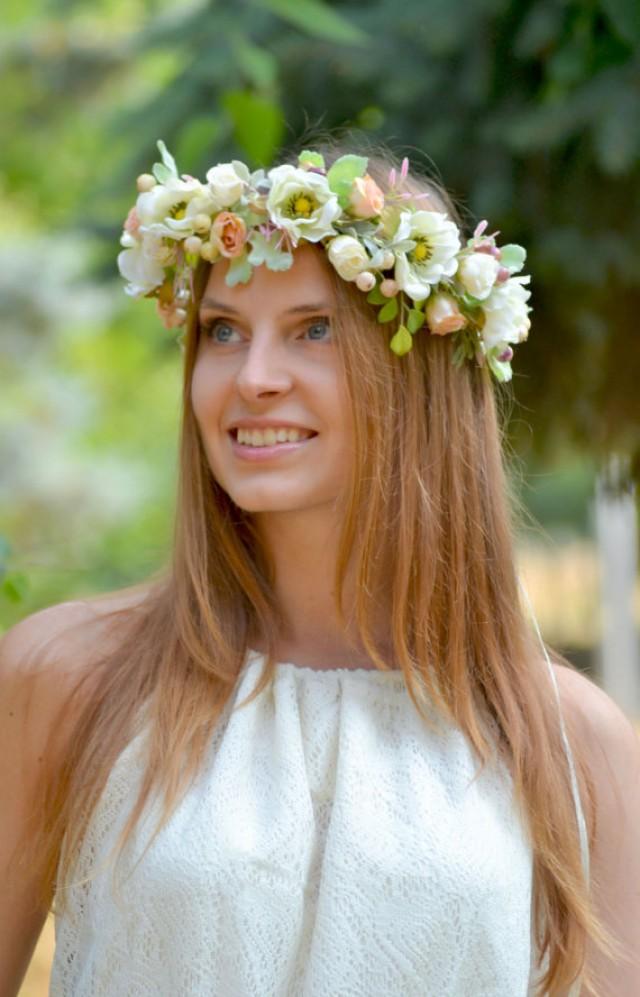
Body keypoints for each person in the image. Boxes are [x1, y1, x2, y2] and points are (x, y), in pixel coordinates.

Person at [1, 135, 639, 997]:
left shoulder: (573, 743)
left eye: (314, 330)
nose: (254, 376)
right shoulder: (68, 676)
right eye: (223, 330)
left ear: (423, 375)